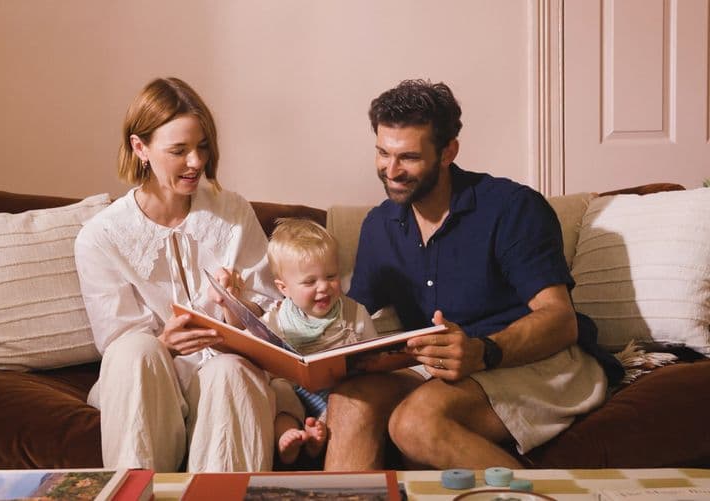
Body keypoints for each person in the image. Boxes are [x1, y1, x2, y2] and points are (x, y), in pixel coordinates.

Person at [324, 79, 619, 470]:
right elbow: (353, 319)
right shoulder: (379, 225)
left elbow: (560, 321)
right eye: (382, 152)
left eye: (408, 157)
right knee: (350, 402)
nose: (390, 170)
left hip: (534, 361)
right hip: (440, 369)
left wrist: (483, 351)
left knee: (414, 422)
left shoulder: (511, 208)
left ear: (448, 152)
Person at [74, 77, 281, 472]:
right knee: (136, 351)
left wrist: (238, 312)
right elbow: (116, 342)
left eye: (202, 146)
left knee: (231, 372)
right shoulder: (100, 237)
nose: (196, 162)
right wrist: (165, 343)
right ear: (141, 148)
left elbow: (274, 317)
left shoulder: (233, 212)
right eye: (179, 150)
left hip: (225, 370)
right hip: (148, 378)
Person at [262, 218, 378, 464]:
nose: (324, 287)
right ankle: (288, 437)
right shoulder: (275, 319)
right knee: (280, 391)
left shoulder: (355, 313)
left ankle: (318, 437)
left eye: (331, 276)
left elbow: (375, 356)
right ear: (284, 288)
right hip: (294, 393)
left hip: (337, 394)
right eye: (310, 282)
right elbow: (259, 356)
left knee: (347, 399)